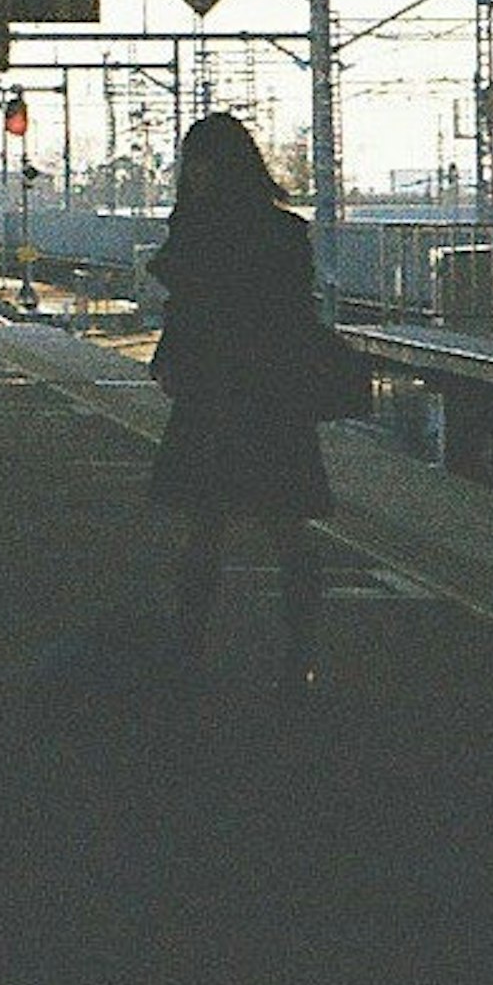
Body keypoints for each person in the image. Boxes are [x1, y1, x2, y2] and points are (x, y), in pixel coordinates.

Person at [145, 112, 342, 688]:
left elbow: (184, 304)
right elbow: (297, 312)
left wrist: (172, 361)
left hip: (213, 393)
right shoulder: (283, 231)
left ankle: (189, 654)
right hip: (275, 396)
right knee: (289, 528)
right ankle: (299, 659)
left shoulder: (198, 229)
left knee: (205, 528)